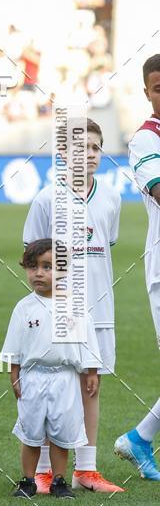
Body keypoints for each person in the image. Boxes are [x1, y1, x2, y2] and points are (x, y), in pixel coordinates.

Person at [23, 118, 123, 492]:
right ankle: (45, 470)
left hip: (101, 310)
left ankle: (87, 469)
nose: (90, 155)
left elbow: (105, 245)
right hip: (58, 312)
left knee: (90, 387)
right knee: (56, 388)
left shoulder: (111, 198)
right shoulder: (46, 199)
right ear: (63, 154)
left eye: (96, 148)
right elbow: (33, 255)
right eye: (81, 148)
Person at [3, 239, 101, 499]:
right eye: (32, 267)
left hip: (65, 377)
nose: (38, 273)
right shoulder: (24, 307)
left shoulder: (74, 306)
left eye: (47, 267)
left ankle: (59, 481)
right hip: (33, 377)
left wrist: (91, 371)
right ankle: (28, 481)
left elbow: (88, 340)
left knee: (62, 432)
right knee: (31, 433)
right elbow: (14, 343)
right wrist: (14, 371)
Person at [115, 54, 160, 479]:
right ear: (147, 92)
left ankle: (140, 439)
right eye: (159, 88)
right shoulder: (146, 140)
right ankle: (140, 438)